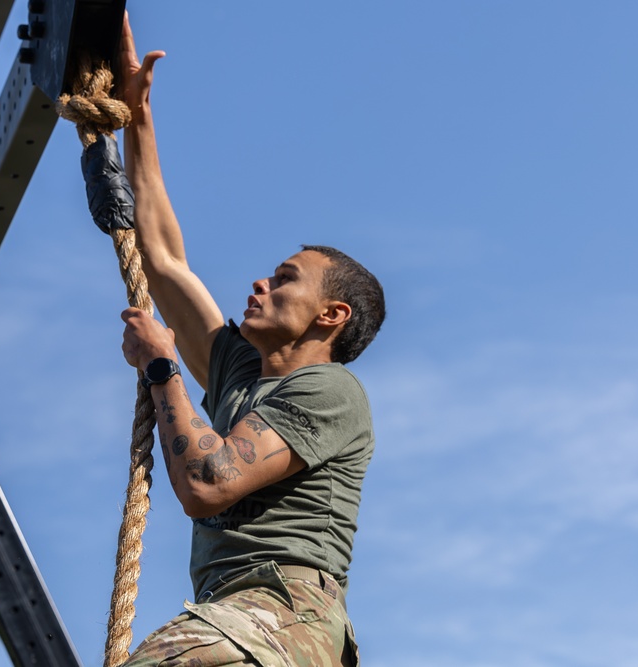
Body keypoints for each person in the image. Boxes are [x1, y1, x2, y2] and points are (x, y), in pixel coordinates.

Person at [116, 14, 385, 667]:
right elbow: (162, 256)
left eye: (287, 278)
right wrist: (137, 117)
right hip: (238, 613)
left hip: (282, 616)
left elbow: (208, 481)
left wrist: (162, 365)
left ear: (331, 315)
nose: (262, 281)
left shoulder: (329, 388)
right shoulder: (241, 372)